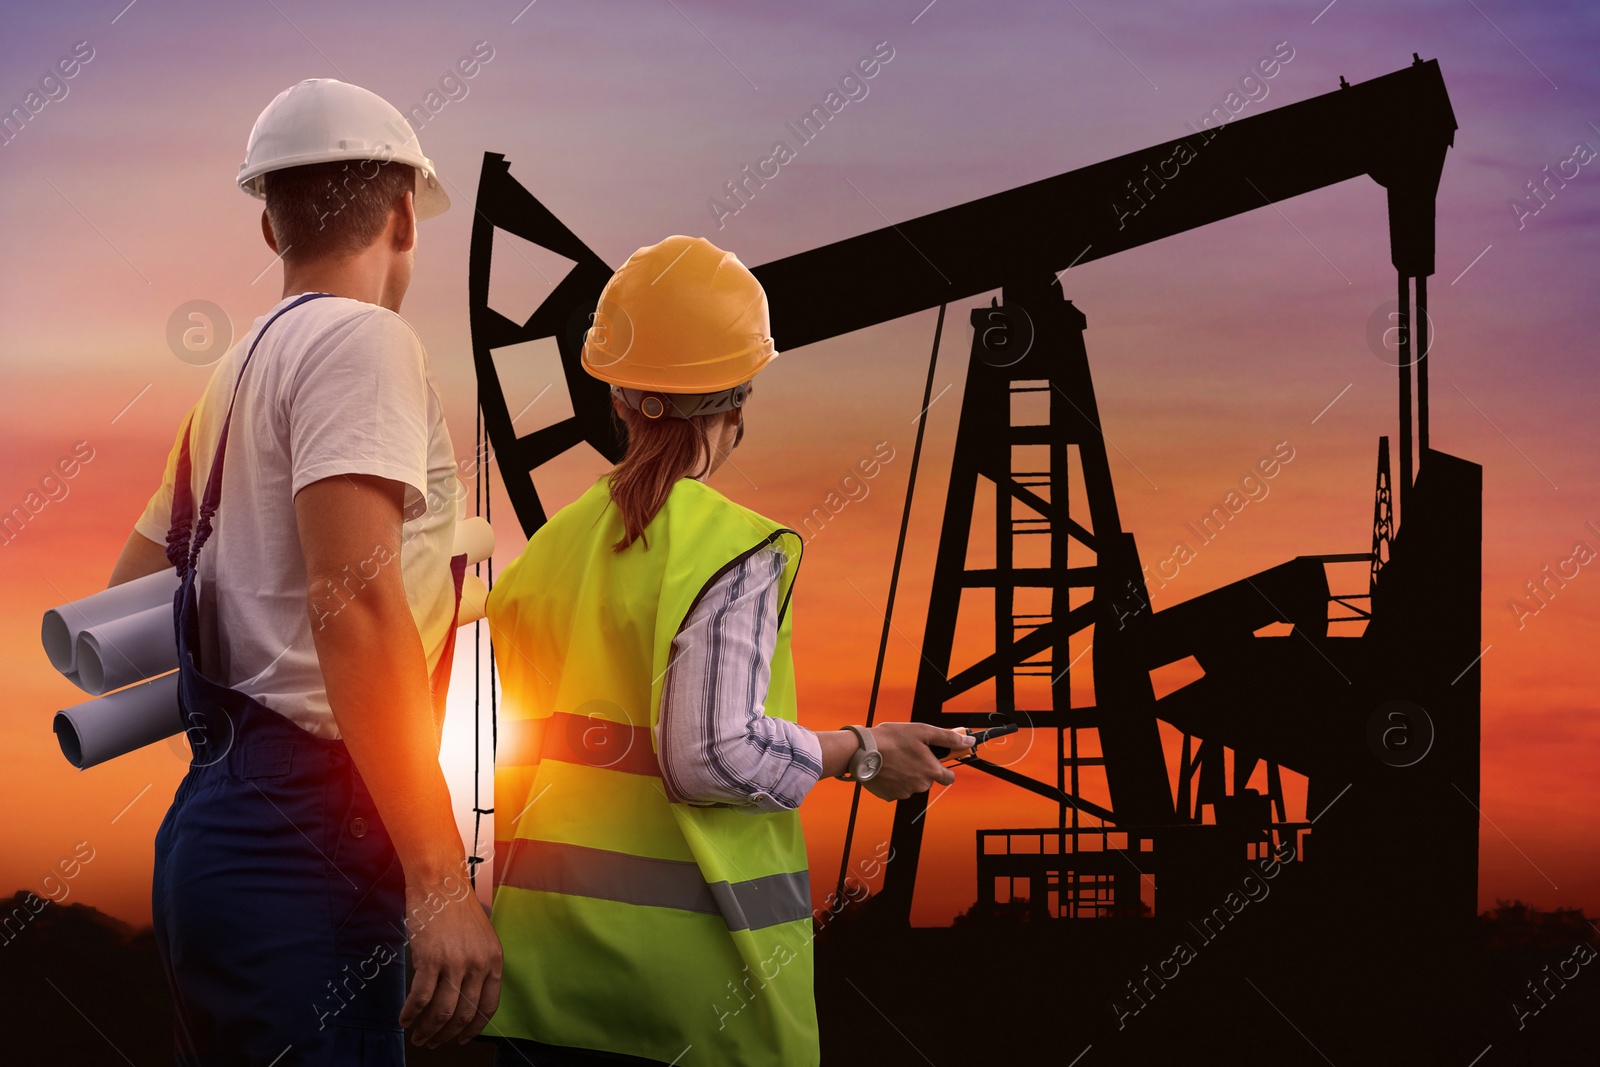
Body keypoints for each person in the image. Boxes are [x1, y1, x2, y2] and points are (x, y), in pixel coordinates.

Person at [482, 234, 972, 1066]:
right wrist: (862, 751)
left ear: (616, 396)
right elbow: (713, 755)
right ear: (740, 398)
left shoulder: (544, 551)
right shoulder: (733, 549)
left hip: (544, 986)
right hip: (697, 1003)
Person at [106, 78, 501, 1063]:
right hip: (315, 837)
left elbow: (128, 598)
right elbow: (350, 595)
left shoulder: (232, 376)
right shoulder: (364, 341)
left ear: (270, 227)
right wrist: (440, 877)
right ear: (406, 212)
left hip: (217, 831)